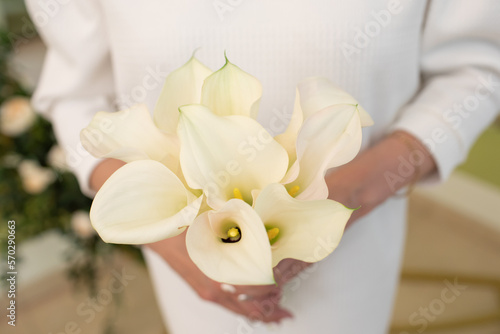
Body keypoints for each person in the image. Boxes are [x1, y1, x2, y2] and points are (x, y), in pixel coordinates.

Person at [26, 0, 500, 333]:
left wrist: (350, 193)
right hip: (186, 262)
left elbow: (477, 69)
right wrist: (172, 243)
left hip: (355, 243)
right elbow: (75, 97)